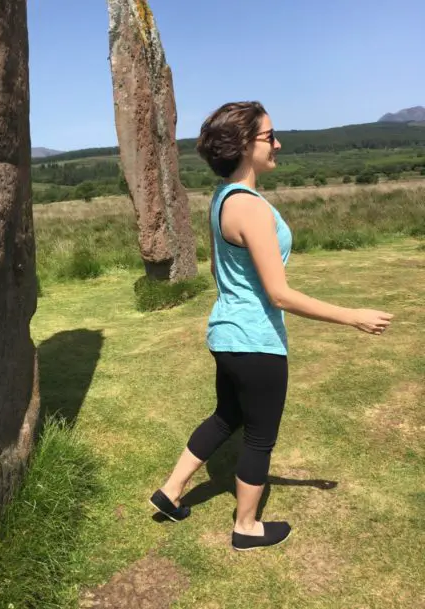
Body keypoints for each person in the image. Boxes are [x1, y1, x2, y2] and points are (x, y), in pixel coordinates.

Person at [148, 102, 394, 551]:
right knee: (260, 436)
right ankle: (246, 528)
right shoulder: (250, 208)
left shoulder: (223, 197)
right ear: (245, 145)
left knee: (227, 417)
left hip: (227, 335)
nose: (278, 143)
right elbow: (279, 294)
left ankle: (170, 492)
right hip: (255, 342)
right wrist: (351, 316)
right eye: (269, 136)